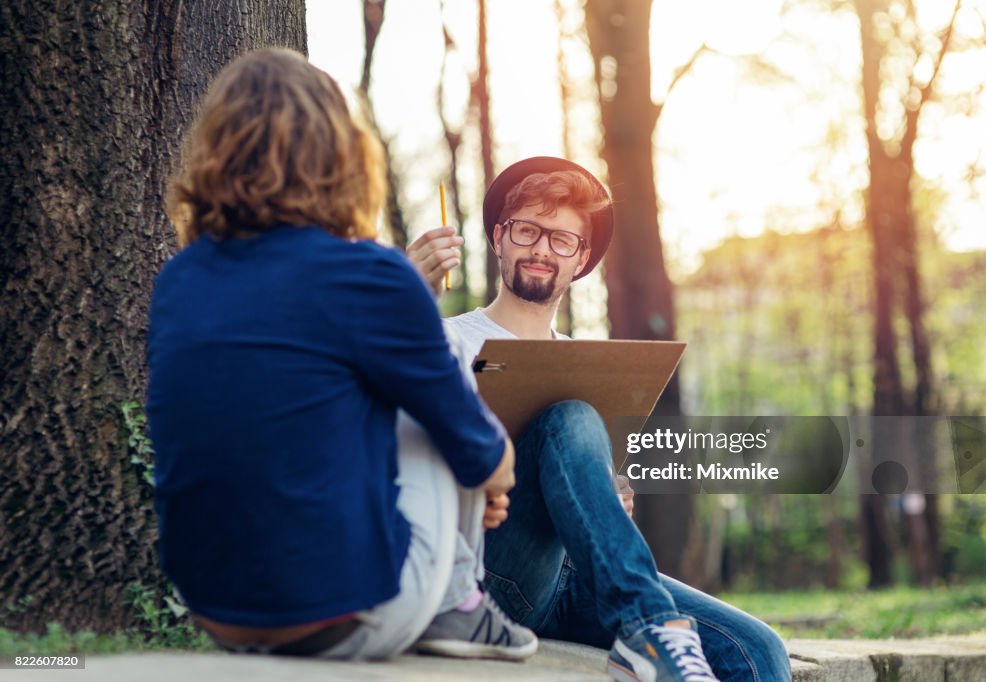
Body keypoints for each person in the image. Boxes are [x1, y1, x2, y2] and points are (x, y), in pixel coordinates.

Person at [146, 48, 535, 661]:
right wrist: (490, 475)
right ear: (342, 154)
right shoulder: (372, 275)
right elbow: (490, 462)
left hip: (214, 610)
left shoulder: (180, 279)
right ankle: (460, 603)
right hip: (343, 617)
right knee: (445, 374)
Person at [407, 157, 793, 681]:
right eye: (527, 230)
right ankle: (650, 629)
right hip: (494, 571)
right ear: (499, 238)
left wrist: (607, 497)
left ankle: (648, 630)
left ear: (581, 258)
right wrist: (406, 299)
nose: (543, 249)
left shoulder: (590, 365)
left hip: (580, 578)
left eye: (562, 240)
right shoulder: (442, 338)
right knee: (569, 415)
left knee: (756, 649)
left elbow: (592, 487)